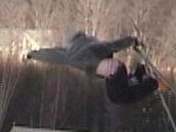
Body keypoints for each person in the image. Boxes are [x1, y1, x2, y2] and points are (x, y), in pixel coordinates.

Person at [27, 31, 158, 105]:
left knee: (122, 97)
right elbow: (113, 45)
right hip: (113, 73)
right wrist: (132, 41)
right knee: (117, 97)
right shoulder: (90, 46)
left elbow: (50, 55)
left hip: (114, 72)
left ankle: (153, 83)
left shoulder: (69, 52)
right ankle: (140, 74)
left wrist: (33, 54)